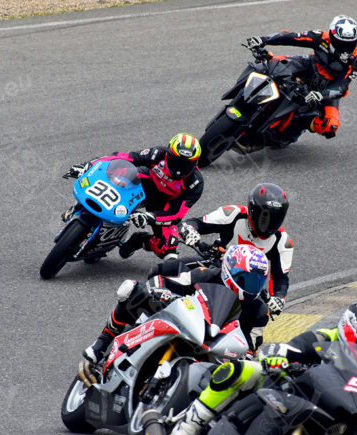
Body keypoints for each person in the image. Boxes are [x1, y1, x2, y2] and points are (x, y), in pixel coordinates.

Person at [164, 301, 357, 435]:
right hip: (282, 393)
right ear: (350, 334)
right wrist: (277, 357)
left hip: (318, 423)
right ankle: (187, 430)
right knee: (244, 369)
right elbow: (287, 348)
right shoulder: (324, 339)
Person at [80, 244, 271, 380]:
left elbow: (251, 347)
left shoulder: (260, 311)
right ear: (230, 270)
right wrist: (161, 290)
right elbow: (173, 282)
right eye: (246, 279)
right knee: (131, 289)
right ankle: (102, 342)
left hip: (214, 349)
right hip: (187, 322)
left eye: (257, 282)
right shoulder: (207, 274)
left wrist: (245, 356)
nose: (251, 287)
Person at [62, 133, 204, 261]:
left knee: (167, 248)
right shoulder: (157, 154)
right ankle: (77, 208)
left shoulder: (195, 184)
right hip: (142, 184)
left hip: (162, 205)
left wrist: (151, 217)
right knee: (121, 170)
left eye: (185, 164)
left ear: (195, 163)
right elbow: (125, 157)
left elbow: (176, 213)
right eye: (176, 161)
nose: (179, 168)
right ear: (168, 154)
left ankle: (139, 240)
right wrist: (88, 165)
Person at [177, 183, 292, 317]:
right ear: (253, 210)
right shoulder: (233, 214)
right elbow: (196, 223)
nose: (269, 223)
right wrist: (189, 230)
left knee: (261, 317)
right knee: (173, 267)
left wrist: (278, 298)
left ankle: (250, 338)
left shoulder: (283, 241)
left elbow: (281, 278)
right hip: (217, 267)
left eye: (276, 218)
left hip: (249, 287)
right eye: (265, 216)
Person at [244, 15, 357, 143]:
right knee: (268, 63)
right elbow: (293, 37)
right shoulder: (321, 37)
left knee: (330, 126)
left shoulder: (356, 60)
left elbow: (342, 86)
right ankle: (245, 96)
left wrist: (321, 95)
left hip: (327, 89)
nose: (345, 48)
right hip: (308, 67)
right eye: (342, 43)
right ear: (333, 38)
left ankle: (299, 125)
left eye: (349, 44)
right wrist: (263, 40)